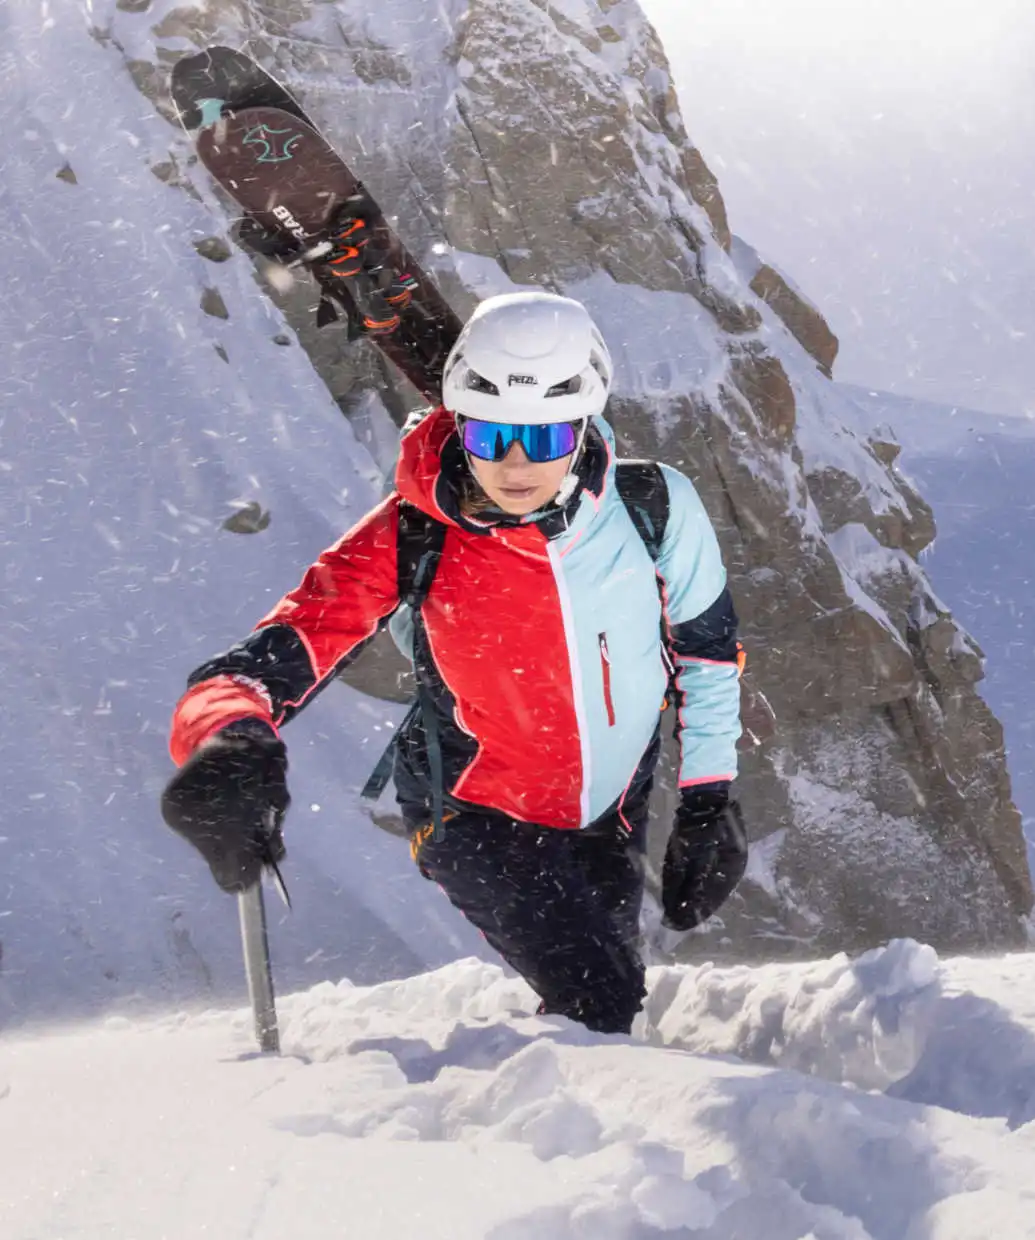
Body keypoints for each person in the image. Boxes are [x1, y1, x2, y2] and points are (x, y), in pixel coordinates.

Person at [161, 291, 748, 1035]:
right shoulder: (413, 534)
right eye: (490, 434)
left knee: (608, 998)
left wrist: (706, 800)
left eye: (542, 438)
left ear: (581, 428)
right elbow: (264, 660)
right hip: (473, 811)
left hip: (610, 809)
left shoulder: (653, 506)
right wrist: (227, 738)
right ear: (460, 423)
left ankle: (540, 1096)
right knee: (599, 999)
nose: (514, 464)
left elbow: (705, 654)